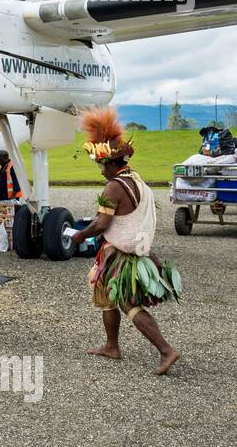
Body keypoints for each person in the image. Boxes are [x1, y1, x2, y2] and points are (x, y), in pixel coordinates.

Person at [71, 107, 182, 376]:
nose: (100, 170)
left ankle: (166, 350)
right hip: (127, 250)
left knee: (127, 303)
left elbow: (102, 223)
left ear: (112, 162)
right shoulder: (137, 180)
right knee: (107, 298)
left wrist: (79, 235)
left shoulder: (113, 186)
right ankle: (111, 346)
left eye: (101, 165)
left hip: (121, 253)